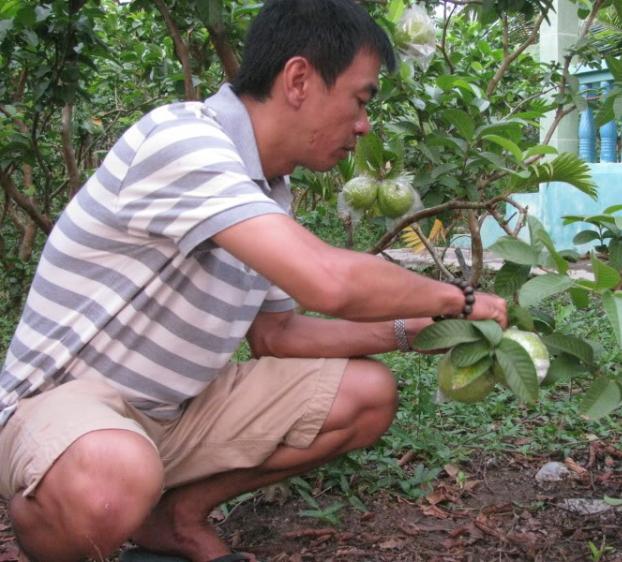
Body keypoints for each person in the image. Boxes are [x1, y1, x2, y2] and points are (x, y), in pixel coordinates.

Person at [0, 0, 507, 561]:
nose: (363, 125)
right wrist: (457, 299)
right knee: (106, 480)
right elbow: (327, 280)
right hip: (61, 411)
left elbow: (278, 335)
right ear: (298, 80)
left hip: (173, 414)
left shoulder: (270, 191)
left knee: (366, 394)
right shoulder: (184, 140)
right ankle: (67, 528)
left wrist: (416, 328)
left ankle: (176, 517)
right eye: (360, 100)